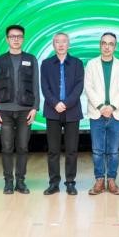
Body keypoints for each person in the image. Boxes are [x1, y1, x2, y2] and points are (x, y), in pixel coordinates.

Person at [0, 24, 40, 194]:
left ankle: (20, 182)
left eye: (19, 36)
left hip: (25, 111)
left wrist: (35, 107)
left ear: (23, 39)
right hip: (4, 110)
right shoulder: (0, 60)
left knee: (22, 147)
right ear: (7, 39)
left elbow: (35, 84)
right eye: (12, 37)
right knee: (6, 147)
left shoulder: (31, 59)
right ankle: (8, 182)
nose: (16, 39)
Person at [85, 32, 119, 196]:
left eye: (111, 44)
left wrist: (111, 107)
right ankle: (99, 180)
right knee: (97, 150)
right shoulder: (91, 64)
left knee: (114, 151)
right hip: (96, 113)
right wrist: (101, 106)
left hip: (115, 114)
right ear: (100, 45)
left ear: (115, 47)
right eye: (104, 43)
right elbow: (88, 87)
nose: (107, 47)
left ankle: (111, 180)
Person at [41, 32, 85, 196]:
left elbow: (79, 86)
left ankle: (70, 182)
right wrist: (55, 103)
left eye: (64, 41)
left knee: (71, 150)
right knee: (53, 150)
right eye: (57, 42)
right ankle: (54, 183)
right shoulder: (46, 64)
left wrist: (66, 103)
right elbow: (45, 87)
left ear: (69, 44)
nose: (60, 45)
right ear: (53, 45)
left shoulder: (77, 63)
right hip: (52, 111)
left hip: (72, 111)